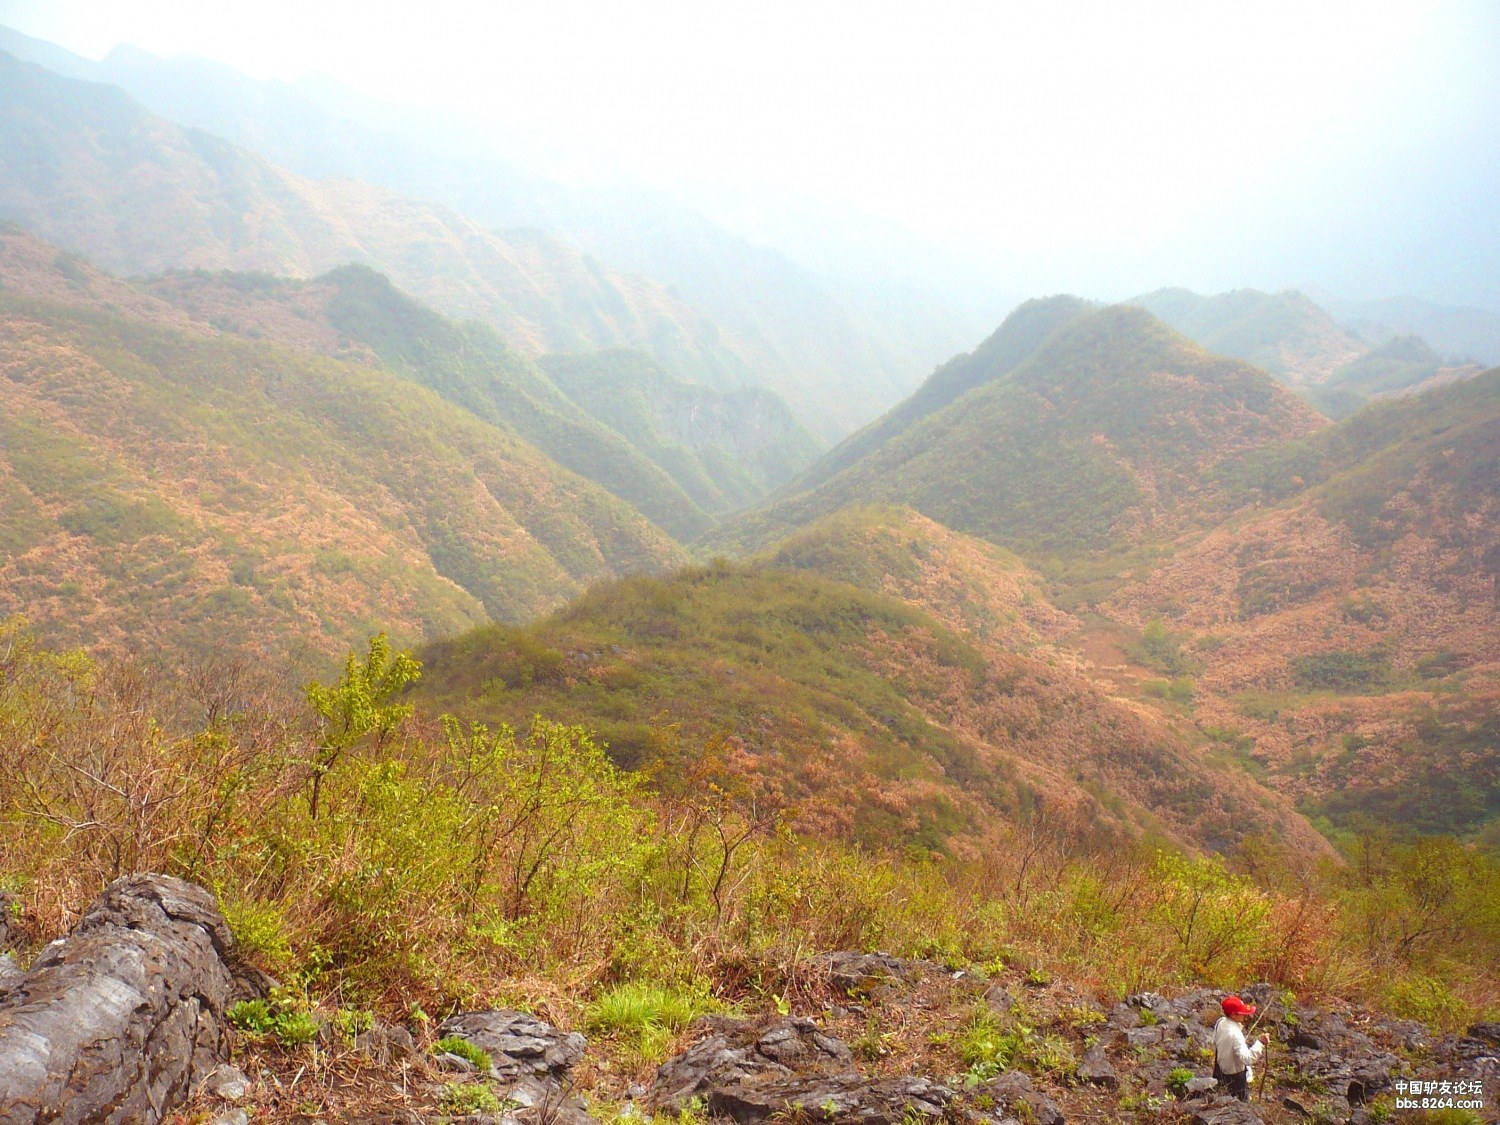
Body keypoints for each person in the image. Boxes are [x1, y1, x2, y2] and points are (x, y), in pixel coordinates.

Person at [1212, 995, 1267, 1101]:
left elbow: (1215, 1040)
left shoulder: (1221, 1022)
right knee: (1240, 1105)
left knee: (1222, 1098)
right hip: (1235, 1077)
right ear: (1233, 1015)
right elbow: (1248, 1059)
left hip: (1219, 1070)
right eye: (1241, 1012)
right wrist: (1260, 1043)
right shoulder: (1235, 1034)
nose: (1244, 1015)